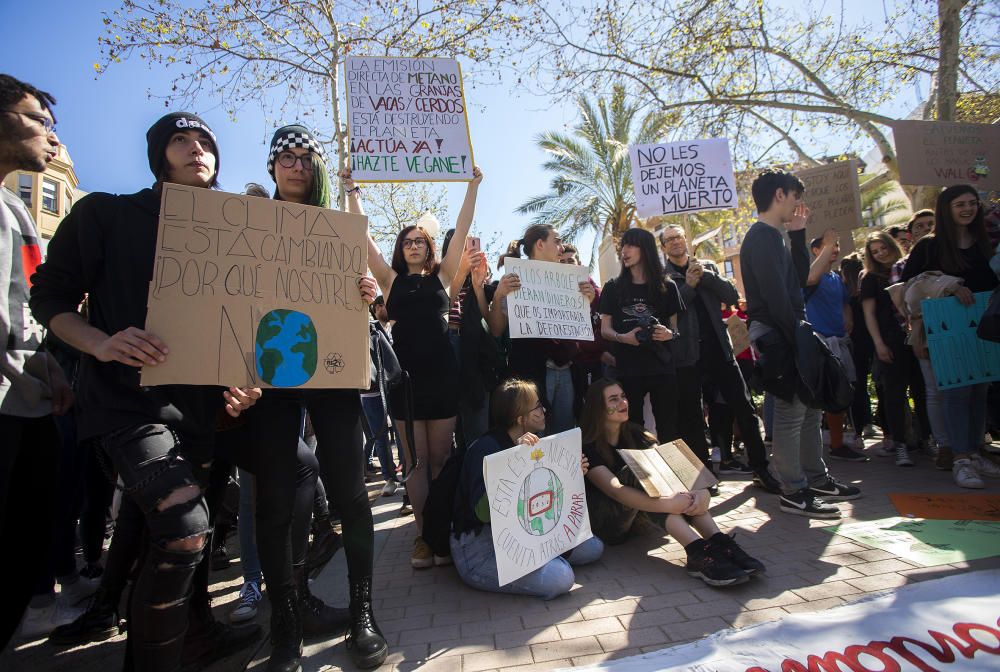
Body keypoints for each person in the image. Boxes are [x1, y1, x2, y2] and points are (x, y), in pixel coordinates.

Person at [29, 110, 262, 671]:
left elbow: (253, 320)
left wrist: (248, 380)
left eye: (205, 140)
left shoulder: (236, 232)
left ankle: (197, 632)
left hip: (204, 407)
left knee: (185, 533)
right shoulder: (105, 214)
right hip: (127, 403)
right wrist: (100, 342)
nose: (196, 148)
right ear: (159, 153)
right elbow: (50, 298)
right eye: (181, 139)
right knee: (185, 527)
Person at [240, 124, 385, 672]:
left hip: (332, 371)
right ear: (272, 166)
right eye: (287, 157)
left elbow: (358, 296)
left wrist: (364, 293)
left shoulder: (339, 230)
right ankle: (285, 627)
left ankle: (364, 614)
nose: (297, 166)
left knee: (351, 491)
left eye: (306, 157)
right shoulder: (249, 224)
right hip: (272, 373)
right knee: (275, 499)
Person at [342, 164, 483, 572]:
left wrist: (472, 186)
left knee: (441, 457)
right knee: (415, 461)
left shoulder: (444, 277)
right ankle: (424, 538)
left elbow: (462, 221)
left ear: (430, 248)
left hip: (443, 377)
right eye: (408, 241)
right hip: (404, 381)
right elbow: (363, 235)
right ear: (400, 249)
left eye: (421, 241)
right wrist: (352, 190)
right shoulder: (389, 281)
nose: (414, 245)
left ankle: (443, 534)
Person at [0, 74, 76, 648]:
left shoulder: (13, 209)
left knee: (28, 537)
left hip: (29, 399)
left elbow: (22, 307)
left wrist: (48, 366)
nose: (52, 137)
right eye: (37, 120)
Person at [739, 169, 861, 519]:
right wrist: (796, 336)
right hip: (780, 332)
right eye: (795, 196)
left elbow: (799, 281)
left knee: (809, 409)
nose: (798, 204)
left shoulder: (773, 236)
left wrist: (797, 237)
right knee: (792, 413)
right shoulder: (760, 237)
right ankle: (794, 489)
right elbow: (779, 296)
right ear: (780, 194)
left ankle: (816, 479)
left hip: (789, 329)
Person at [579, 379, 763, 587]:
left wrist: (700, 493)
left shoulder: (638, 434)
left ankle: (720, 542)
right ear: (598, 407)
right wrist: (668, 504)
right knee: (637, 468)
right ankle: (696, 550)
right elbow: (615, 491)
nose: (623, 402)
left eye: (623, 396)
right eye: (614, 399)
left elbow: (669, 470)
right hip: (607, 524)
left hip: (641, 518)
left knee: (662, 461)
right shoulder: (587, 445)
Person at [451, 378, 603, 598]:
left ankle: (546, 557)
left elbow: (544, 500)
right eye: (538, 407)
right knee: (560, 578)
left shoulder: (534, 444)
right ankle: (547, 559)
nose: (543, 411)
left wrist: (571, 475)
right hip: (480, 548)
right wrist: (515, 462)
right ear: (520, 419)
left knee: (593, 548)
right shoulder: (485, 449)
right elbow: (483, 513)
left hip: (527, 534)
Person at [661, 225, 781, 491]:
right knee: (692, 418)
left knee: (744, 409)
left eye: (679, 237)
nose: (676, 242)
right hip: (687, 356)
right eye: (669, 240)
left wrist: (706, 277)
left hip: (720, 350)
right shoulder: (663, 278)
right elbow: (668, 310)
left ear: (686, 240)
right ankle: (705, 476)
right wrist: (689, 286)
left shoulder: (707, 268)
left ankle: (760, 468)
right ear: (663, 248)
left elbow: (732, 296)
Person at [902, 185, 1000, 488]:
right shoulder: (929, 247)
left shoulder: (985, 244)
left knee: (979, 391)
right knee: (956, 393)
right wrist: (948, 285)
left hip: (983, 330)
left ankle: (973, 452)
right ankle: (960, 459)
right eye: (960, 204)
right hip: (945, 333)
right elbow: (908, 289)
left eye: (972, 203)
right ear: (946, 209)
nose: (968, 209)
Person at [487, 224, 594, 434]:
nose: (561, 247)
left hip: (567, 371)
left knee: (564, 436)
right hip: (532, 373)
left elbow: (578, 327)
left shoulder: (571, 281)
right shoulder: (515, 279)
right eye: (557, 241)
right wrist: (499, 295)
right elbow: (496, 329)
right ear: (540, 244)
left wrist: (586, 301)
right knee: (534, 438)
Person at [599, 228, 681, 442]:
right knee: (632, 429)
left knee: (668, 427)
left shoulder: (668, 287)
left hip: (662, 368)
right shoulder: (613, 287)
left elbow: (677, 330)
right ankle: (635, 475)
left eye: (630, 245)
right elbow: (605, 330)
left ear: (645, 249)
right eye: (622, 246)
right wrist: (623, 338)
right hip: (628, 369)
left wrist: (668, 334)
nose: (624, 251)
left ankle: (669, 474)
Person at [804, 231, 867, 462]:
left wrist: (848, 317)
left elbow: (844, 304)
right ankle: (812, 452)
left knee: (838, 395)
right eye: (830, 245)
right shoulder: (812, 274)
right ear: (816, 251)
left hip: (838, 343)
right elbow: (810, 279)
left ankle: (837, 445)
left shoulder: (836, 279)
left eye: (837, 245)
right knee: (815, 399)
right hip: (817, 344)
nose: (835, 248)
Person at [859, 231, 917, 468]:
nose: (881, 253)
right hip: (889, 339)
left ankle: (927, 440)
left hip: (916, 337)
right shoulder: (870, 279)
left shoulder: (908, 268)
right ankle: (899, 444)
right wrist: (879, 344)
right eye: (875, 251)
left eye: (883, 248)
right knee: (894, 393)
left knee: (922, 389)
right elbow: (869, 314)